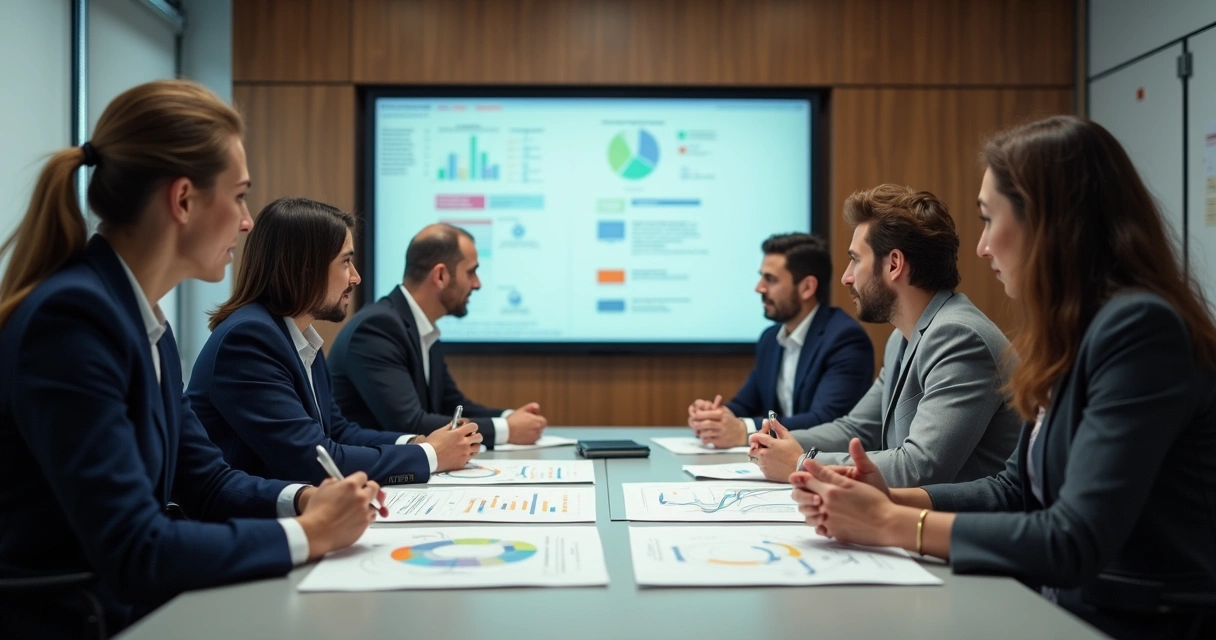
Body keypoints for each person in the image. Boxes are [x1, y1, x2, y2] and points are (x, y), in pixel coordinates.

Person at [792, 116, 1216, 640]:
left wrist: (889, 524)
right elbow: (1013, 490)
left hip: (1139, 623)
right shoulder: (1071, 333)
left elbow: (1073, 539)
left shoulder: (1138, 330)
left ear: (1049, 223)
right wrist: (889, 498)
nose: (982, 247)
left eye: (990, 219)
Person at [0, 80, 381, 638]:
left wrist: (303, 497)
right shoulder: (74, 320)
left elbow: (206, 482)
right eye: (241, 195)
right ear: (183, 200)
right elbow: (136, 549)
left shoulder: (144, 321)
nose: (248, 222)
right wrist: (310, 534)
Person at [188, 199, 481, 486]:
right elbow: (314, 459)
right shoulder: (249, 339)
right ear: (305, 267)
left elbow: (338, 432)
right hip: (245, 523)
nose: (356, 277)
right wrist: (430, 455)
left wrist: (417, 442)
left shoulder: (297, 336)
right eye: (346, 262)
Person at [750, 185, 1021, 487]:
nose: (846, 277)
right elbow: (856, 429)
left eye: (855, 259)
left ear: (893, 264)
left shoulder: (958, 337)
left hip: (968, 530)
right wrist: (773, 443)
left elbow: (918, 467)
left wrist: (800, 463)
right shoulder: (902, 339)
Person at [329, 223, 547, 446]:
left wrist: (509, 418)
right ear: (441, 275)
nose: (477, 283)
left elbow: (450, 404)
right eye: (471, 272)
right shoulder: (377, 328)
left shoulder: (421, 326)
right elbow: (410, 424)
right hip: (369, 475)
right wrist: (507, 430)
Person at [688, 233, 873, 447]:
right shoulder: (770, 339)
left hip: (828, 466)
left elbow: (827, 420)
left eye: (771, 279)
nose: (759, 288)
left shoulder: (845, 339)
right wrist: (713, 417)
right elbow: (744, 404)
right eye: (761, 277)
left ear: (807, 288)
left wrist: (744, 430)